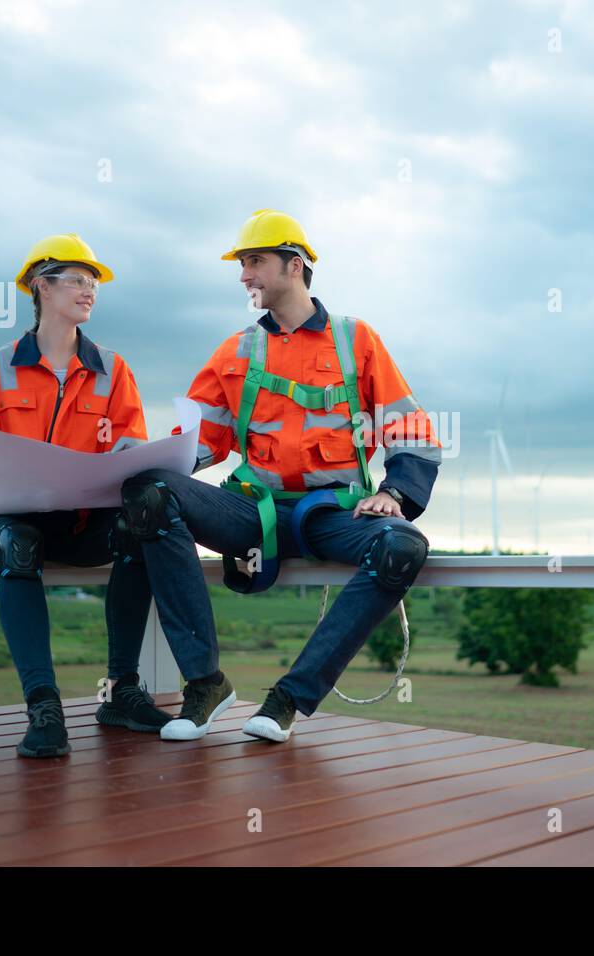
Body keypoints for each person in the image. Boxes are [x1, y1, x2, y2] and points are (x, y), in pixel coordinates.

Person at [121, 209, 442, 743]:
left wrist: (395, 492)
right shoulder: (236, 351)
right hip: (251, 510)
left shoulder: (355, 341)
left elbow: (413, 431)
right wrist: (134, 458)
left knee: (402, 548)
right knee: (149, 494)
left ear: (294, 265)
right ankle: (204, 684)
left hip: (332, 514)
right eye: (242, 264)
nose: (244, 275)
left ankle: (289, 699)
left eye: (254, 262)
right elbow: (196, 446)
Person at [0, 233, 171, 757]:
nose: (89, 291)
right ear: (41, 286)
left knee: (145, 526)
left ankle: (121, 691)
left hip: (83, 522)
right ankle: (44, 707)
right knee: (18, 544)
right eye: (78, 281)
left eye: (94, 284)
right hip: (3, 522)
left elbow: (131, 445)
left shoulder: (114, 370)